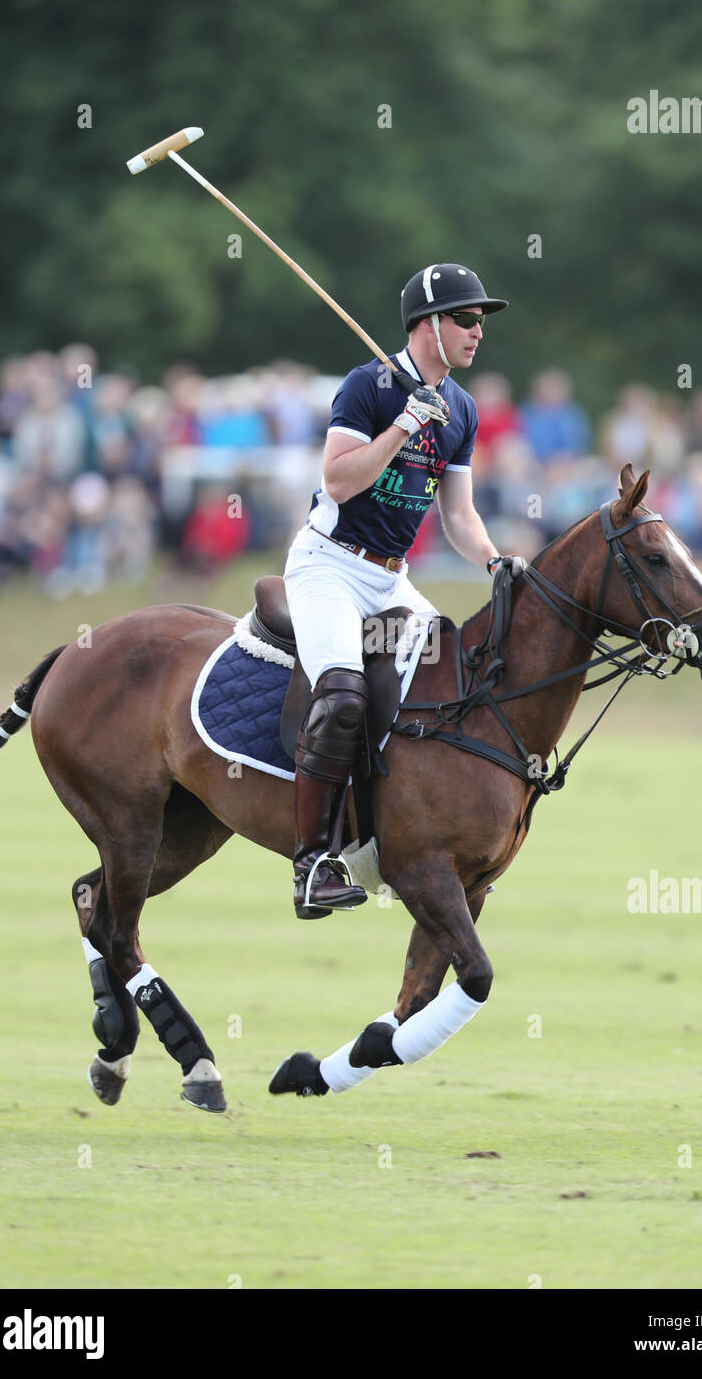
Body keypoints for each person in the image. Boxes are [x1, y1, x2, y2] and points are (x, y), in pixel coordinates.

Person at [283, 263, 525, 918]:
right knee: (340, 694)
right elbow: (337, 481)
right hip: (329, 565)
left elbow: (458, 516)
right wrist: (399, 430)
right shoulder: (368, 387)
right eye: (467, 319)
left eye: (481, 321)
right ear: (427, 326)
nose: (479, 333)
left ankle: (418, 838)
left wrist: (496, 564)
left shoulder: (463, 410)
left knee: (457, 679)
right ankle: (313, 865)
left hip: (390, 579)